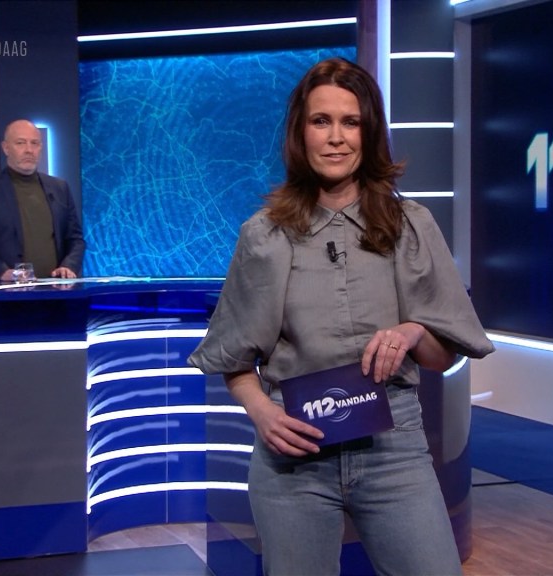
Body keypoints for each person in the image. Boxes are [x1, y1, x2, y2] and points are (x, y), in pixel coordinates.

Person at [188, 58, 494, 576]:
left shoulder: (410, 225)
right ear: (300, 133)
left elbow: (441, 358)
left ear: (368, 132)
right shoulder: (263, 234)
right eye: (321, 121)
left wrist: (413, 331)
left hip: (393, 451)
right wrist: (262, 414)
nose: (336, 138)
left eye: (350, 122)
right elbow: (234, 358)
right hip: (294, 455)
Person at [0, 119, 85, 282]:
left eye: (34, 143)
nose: (29, 150)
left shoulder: (59, 188)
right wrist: (2, 272)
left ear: (41, 148)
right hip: (4, 290)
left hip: (54, 288)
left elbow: (75, 239)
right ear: (6, 148)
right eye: (20, 143)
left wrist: (69, 266)